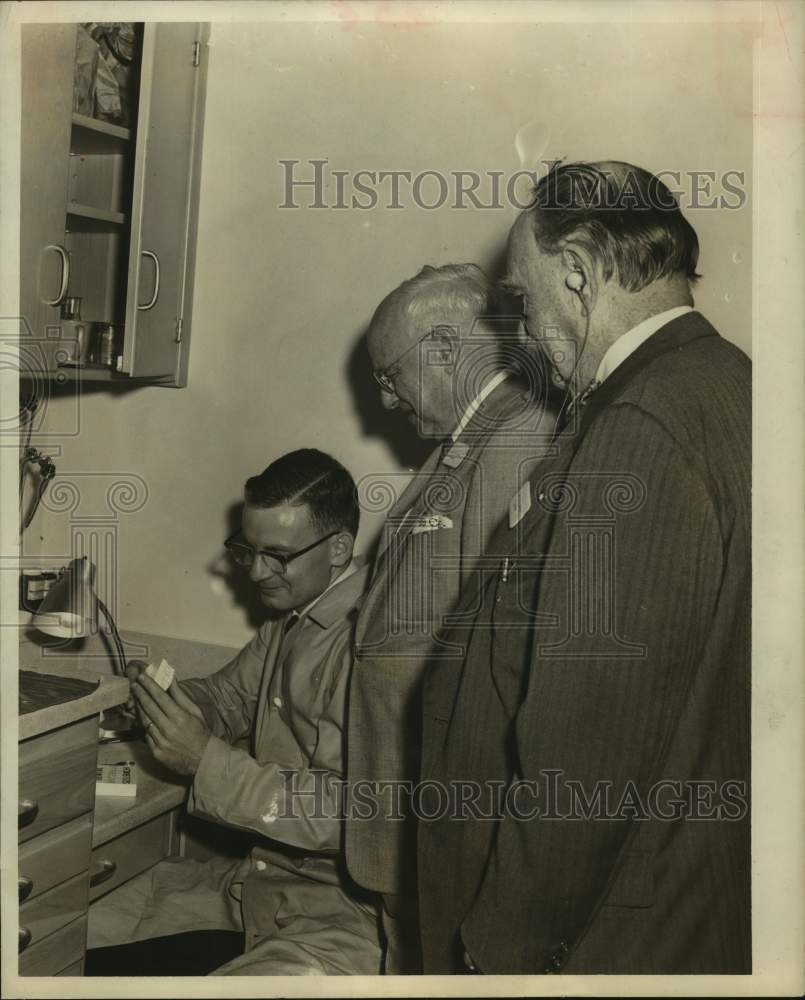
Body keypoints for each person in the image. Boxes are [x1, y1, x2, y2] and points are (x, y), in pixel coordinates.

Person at [417, 162, 751, 973]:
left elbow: (586, 744)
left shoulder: (639, 421)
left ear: (576, 271)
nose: (523, 335)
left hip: (606, 933)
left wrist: (499, 948)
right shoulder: (731, 385)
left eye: (523, 301)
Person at [86, 448, 383, 976]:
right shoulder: (290, 618)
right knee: (61, 927)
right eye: (249, 550)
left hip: (338, 919)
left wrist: (203, 760)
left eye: (278, 555)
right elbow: (227, 698)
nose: (258, 571)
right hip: (259, 885)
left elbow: (351, 813)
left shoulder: (372, 643)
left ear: (338, 548)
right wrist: (166, 700)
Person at [345, 263, 556, 971]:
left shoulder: (517, 437)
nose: (383, 397)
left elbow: (492, 660)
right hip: (402, 820)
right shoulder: (464, 444)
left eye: (388, 373)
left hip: (437, 827)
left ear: (441, 350)